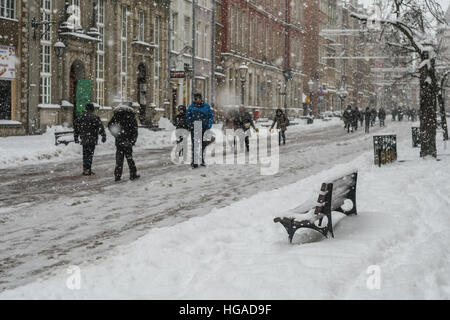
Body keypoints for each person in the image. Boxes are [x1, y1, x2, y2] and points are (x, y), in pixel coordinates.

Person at [108, 102, 140, 181]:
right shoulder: (131, 116)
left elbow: (110, 125)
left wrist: (116, 134)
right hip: (128, 140)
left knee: (119, 159)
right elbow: (134, 130)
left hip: (119, 140)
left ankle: (117, 175)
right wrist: (133, 140)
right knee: (129, 158)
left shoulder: (116, 115)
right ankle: (133, 174)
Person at [73, 102, 107, 176]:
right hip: (92, 139)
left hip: (84, 138)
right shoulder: (95, 117)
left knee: (85, 154)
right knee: (90, 154)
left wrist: (76, 137)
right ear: (92, 109)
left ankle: (86, 169)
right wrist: (103, 136)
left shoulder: (81, 117)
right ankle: (88, 169)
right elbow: (100, 127)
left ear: (86, 108)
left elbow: (76, 127)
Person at [186, 93, 214, 168]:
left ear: (201, 99)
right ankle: (194, 161)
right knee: (195, 145)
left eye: (199, 99)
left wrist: (209, 125)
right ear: (194, 100)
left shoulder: (206, 106)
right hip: (195, 127)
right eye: (196, 99)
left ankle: (202, 160)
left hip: (204, 128)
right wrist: (190, 125)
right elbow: (188, 116)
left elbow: (211, 117)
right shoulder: (191, 107)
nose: (198, 100)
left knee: (203, 144)